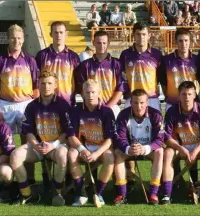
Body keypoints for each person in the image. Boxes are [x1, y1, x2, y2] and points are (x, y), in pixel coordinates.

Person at [0, 24, 39, 193]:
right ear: (7, 39)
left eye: (19, 38)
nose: (16, 41)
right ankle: (5, 179)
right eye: (12, 38)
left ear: (23, 39)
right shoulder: (0, 60)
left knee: (27, 144)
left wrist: (33, 107)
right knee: (3, 143)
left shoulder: (30, 60)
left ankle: (29, 179)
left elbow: (37, 86)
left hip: (25, 104)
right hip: (5, 105)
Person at [9, 71, 70, 206]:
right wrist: (36, 145)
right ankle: (27, 194)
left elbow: (67, 132)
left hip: (57, 145)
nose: (46, 86)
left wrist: (53, 145)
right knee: (15, 155)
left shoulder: (63, 104)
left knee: (62, 155)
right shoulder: (32, 106)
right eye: (43, 83)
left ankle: (57, 192)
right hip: (38, 145)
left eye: (49, 83)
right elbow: (28, 131)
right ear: (38, 84)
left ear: (55, 85)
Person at [161, 81, 200, 205]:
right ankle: (166, 195)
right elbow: (167, 137)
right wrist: (181, 149)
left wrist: (195, 151)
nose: (187, 97)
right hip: (179, 146)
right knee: (168, 153)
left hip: (198, 146)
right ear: (179, 95)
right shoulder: (172, 111)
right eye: (184, 94)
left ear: (195, 94)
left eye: (190, 94)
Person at [66, 79, 116, 207]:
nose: (90, 96)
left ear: (99, 93)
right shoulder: (76, 111)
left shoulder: (106, 111)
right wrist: (82, 150)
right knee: (72, 153)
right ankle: (80, 193)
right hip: (83, 146)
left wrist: (96, 154)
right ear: (82, 93)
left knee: (110, 157)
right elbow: (71, 137)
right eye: (87, 93)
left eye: (93, 92)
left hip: (101, 148)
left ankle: (98, 193)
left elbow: (109, 140)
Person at [113, 89, 164, 205]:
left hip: (148, 149)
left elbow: (160, 140)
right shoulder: (123, 115)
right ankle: (121, 194)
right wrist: (127, 148)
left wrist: (145, 148)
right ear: (131, 103)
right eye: (135, 103)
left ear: (147, 103)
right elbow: (119, 138)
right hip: (130, 149)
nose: (139, 106)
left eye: (142, 103)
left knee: (160, 152)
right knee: (118, 153)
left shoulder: (156, 115)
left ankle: (153, 193)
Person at [76, 30, 124, 118]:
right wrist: (92, 104)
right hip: (92, 108)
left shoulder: (116, 64)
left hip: (112, 107)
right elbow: (81, 89)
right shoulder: (85, 65)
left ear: (108, 43)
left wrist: (107, 107)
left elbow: (120, 89)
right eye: (98, 43)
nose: (102, 46)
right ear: (93, 43)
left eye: (104, 43)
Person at [119, 22, 163, 111]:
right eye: (138, 34)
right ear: (133, 36)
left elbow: (160, 76)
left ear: (149, 35)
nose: (141, 37)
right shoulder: (125, 54)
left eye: (144, 34)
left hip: (151, 98)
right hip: (131, 98)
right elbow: (122, 77)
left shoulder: (156, 54)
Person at [36, 21, 81, 106]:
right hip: (46, 102)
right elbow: (36, 79)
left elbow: (78, 81)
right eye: (56, 32)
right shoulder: (42, 55)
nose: (58, 35)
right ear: (51, 34)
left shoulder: (73, 56)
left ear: (66, 34)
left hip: (67, 102)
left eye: (61, 32)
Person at [160, 28, 199, 111]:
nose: (183, 44)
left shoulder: (197, 60)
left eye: (186, 40)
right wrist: (169, 96)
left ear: (190, 41)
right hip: (172, 104)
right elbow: (163, 82)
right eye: (180, 41)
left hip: (191, 105)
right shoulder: (167, 59)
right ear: (176, 42)